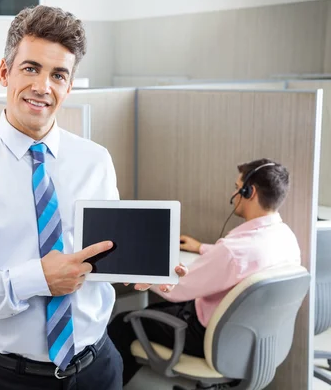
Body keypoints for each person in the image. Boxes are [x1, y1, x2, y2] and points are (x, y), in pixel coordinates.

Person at [0, 5, 183, 390]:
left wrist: (143, 269)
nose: (43, 86)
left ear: (70, 85)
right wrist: (35, 279)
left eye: (58, 74)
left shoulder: (95, 160)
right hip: (14, 378)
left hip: (99, 365)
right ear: (4, 72)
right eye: (31, 68)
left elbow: (100, 255)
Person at [108, 158, 301, 386]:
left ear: (250, 192)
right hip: (248, 340)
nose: (234, 193)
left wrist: (137, 272)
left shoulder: (232, 251)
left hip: (206, 338)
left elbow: (177, 289)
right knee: (154, 311)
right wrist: (203, 248)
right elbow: (244, 262)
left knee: (123, 322)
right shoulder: (286, 237)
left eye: (237, 187)